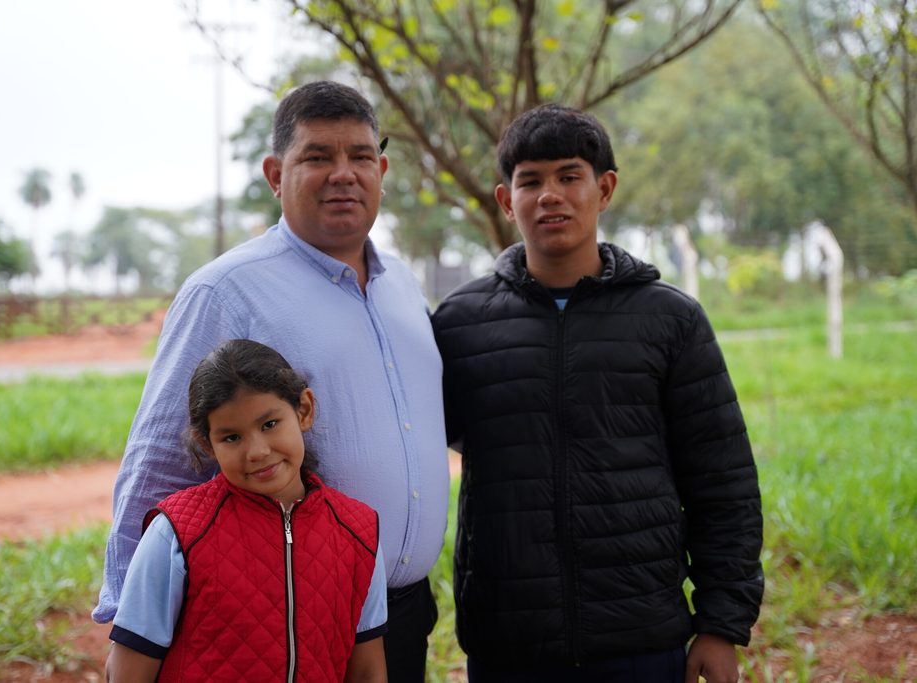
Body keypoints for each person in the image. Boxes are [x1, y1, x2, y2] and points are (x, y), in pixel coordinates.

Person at [94, 81, 447, 682]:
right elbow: (159, 460)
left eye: (361, 156)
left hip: (395, 616)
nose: (344, 174)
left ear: (382, 169)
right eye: (317, 156)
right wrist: (132, 620)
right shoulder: (226, 290)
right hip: (278, 612)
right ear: (275, 174)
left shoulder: (403, 289)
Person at [430, 104, 764, 682]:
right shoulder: (461, 324)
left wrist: (720, 623)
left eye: (569, 176)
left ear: (604, 189)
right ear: (507, 201)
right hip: (509, 642)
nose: (550, 195)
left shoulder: (671, 319)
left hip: (641, 636)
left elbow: (723, 479)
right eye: (530, 181)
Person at [105, 339, 388, 682]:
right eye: (232, 438)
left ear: (304, 410)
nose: (257, 451)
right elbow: (127, 672)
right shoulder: (177, 533)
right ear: (206, 443)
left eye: (269, 424)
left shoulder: (358, 532)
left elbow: (369, 670)